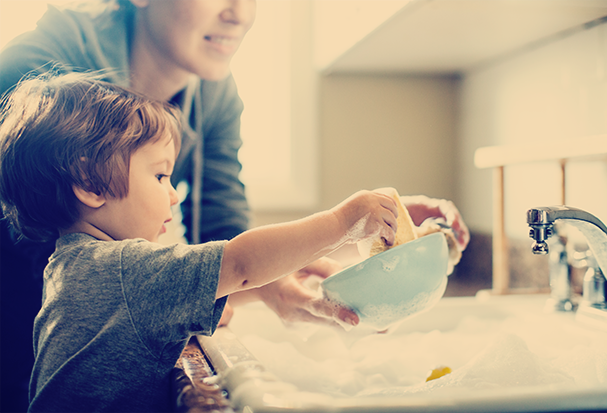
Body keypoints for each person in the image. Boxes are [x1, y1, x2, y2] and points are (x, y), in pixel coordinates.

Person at [0, 0, 469, 410]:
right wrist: (343, 221)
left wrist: (316, 259)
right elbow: (240, 260)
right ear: (86, 179)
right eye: (160, 175)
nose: (240, 12)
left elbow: (226, 241)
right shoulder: (39, 76)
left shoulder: (81, 259)